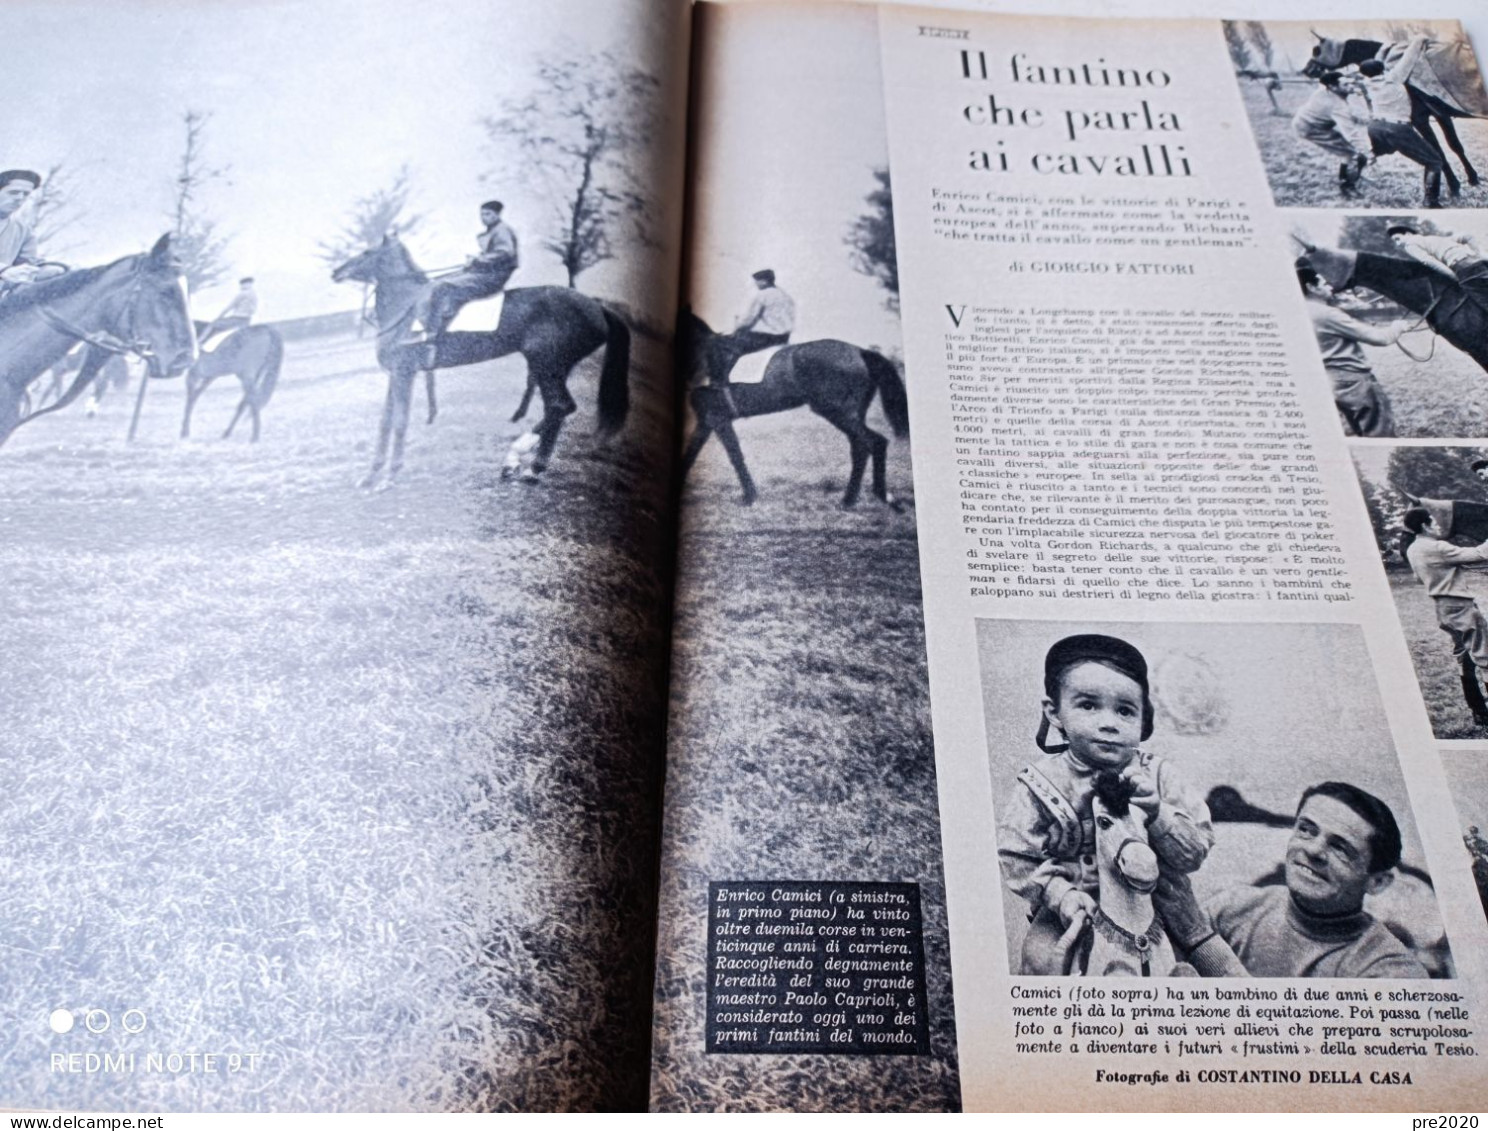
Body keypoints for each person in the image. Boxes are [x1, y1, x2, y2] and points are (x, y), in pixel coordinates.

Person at [997, 634, 1214, 975]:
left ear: (1144, 720)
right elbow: (1016, 854)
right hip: (1072, 905)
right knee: (1041, 958)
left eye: (1125, 710)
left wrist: (1158, 815)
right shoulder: (1042, 783)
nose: (1109, 722)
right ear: (1055, 712)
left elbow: (1196, 849)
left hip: (1156, 904)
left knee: (1195, 967)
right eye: (1088, 705)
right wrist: (1060, 894)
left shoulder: (1159, 776)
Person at [1155, 783, 1431, 978]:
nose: (1313, 851)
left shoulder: (1392, 970)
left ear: (1378, 882)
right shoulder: (1234, 907)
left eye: (1340, 848)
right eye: (1306, 830)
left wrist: (1200, 940)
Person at [1297, 261, 1410, 437]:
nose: (1329, 286)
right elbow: (1380, 338)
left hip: (1329, 382)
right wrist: (1398, 326)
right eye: (1323, 283)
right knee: (1380, 432)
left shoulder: (1300, 312)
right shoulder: (1326, 313)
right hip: (1354, 381)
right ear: (1311, 287)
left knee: (1357, 430)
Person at [1401, 506, 1488, 728]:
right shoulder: (1437, 547)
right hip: (1461, 606)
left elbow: (1419, 579)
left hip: (1441, 608)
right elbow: (1480, 553)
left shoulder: (1412, 550)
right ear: (1424, 525)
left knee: (1463, 657)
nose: (1438, 525)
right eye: (1434, 522)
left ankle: (1478, 711)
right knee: (1486, 658)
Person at [1355, 34, 1446, 209]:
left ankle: (1355, 168)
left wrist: (1384, 47)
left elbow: (1376, 63)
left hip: (1375, 127)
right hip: (1397, 128)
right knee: (1434, 162)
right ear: (1382, 69)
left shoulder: (1366, 82)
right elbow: (1410, 56)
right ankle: (1430, 201)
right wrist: (1419, 38)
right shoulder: (1394, 77)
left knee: (1379, 151)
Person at [415, 200, 518, 343]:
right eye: (481, 214)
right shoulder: (494, 230)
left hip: (492, 277)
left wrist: (477, 260)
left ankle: (433, 333)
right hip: (484, 273)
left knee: (442, 286)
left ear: (497, 215)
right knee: (437, 281)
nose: (483, 217)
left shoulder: (502, 230)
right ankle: (439, 325)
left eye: (487, 214)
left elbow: (505, 253)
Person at [705, 269, 796, 408]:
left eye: (757, 281)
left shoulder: (762, 295)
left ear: (764, 281)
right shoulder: (785, 295)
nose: (756, 284)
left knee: (719, 344)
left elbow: (748, 319)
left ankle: (719, 383)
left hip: (766, 336)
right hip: (783, 337)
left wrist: (735, 330)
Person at [1290, 72, 1369, 195]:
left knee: (1351, 153)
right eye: (1346, 84)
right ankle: (1347, 186)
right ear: (1333, 87)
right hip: (1310, 128)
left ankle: (1353, 174)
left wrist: (1357, 88)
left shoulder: (1325, 89)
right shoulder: (1337, 106)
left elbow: (1330, 81)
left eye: (1350, 82)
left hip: (1306, 120)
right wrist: (1367, 151)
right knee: (1353, 154)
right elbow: (1351, 134)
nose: (1351, 85)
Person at [0, 168, 67, 296]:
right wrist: (3, 270)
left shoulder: (23, 230)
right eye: (13, 192)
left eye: (26, 194)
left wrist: (52, 269)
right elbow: (8, 272)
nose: (20, 198)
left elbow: (28, 264)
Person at [1387, 222, 1488, 306]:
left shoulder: (1409, 244)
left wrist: (1454, 277)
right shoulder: (1435, 238)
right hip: (1478, 263)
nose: (1398, 243)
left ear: (1408, 234)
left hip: (1463, 267)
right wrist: (1478, 255)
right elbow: (1467, 236)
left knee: (1482, 302)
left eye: (1397, 239)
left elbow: (1429, 261)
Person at [203, 277, 258, 341]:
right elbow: (253, 310)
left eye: (243, 284)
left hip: (236, 319)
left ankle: (199, 342)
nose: (241, 286)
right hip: (247, 320)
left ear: (246, 284)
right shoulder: (254, 294)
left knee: (213, 324)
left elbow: (229, 307)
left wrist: (219, 317)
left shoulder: (242, 294)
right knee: (219, 329)